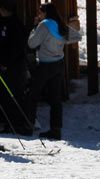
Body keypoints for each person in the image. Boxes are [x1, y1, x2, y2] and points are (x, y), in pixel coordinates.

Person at [26, 2, 81, 140]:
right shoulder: (59, 24)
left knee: (32, 95)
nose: (39, 15)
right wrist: (61, 42)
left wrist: (34, 27)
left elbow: (32, 43)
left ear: (44, 13)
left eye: (40, 12)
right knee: (55, 99)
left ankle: (28, 126)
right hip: (59, 64)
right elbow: (77, 36)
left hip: (45, 65)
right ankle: (55, 130)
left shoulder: (44, 25)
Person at [0, 0, 29, 134]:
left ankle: (15, 124)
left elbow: (16, 48)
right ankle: (5, 122)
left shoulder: (16, 25)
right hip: (4, 65)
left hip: (13, 67)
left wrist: (6, 63)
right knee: (3, 96)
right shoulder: (2, 22)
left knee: (12, 95)